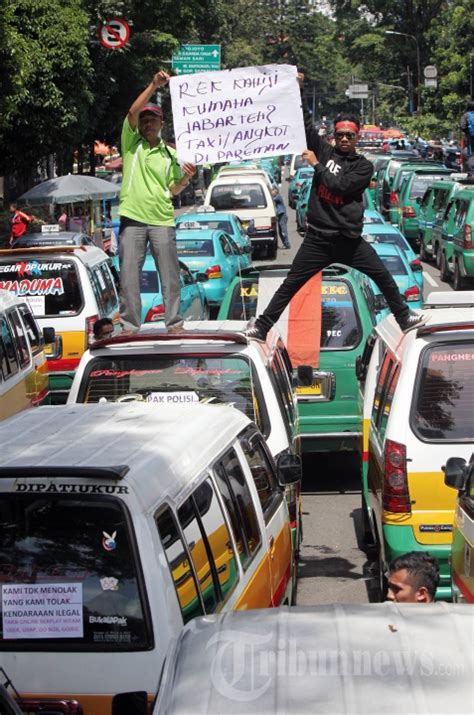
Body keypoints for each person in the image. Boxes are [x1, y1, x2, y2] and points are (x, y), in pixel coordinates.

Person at [244, 75, 426, 342]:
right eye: (339, 134)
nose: (343, 139)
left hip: (349, 242)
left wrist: (317, 165)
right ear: (333, 135)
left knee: (383, 276)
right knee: (290, 285)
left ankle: (404, 317)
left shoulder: (362, 166)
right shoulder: (324, 149)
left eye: (349, 135)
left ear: (356, 137)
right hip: (318, 240)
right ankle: (261, 327)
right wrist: (299, 90)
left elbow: (340, 186)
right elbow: (303, 126)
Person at [118, 70, 196, 333]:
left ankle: (174, 323)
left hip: (162, 219)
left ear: (162, 124)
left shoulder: (172, 153)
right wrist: (153, 85)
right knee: (129, 276)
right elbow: (131, 112)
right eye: (144, 120)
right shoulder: (131, 145)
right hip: (133, 218)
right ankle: (129, 325)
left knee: (170, 275)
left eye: (153, 120)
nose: (147, 124)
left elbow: (174, 189)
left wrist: (186, 179)